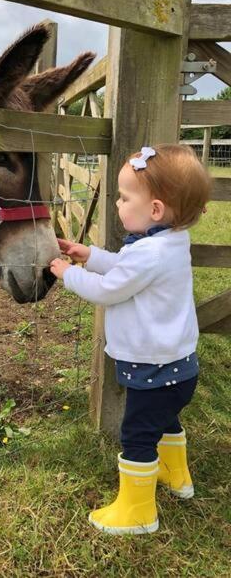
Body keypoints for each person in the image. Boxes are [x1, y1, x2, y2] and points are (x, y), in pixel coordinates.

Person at [50, 144, 212, 535]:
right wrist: (87, 254)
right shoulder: (168, 242)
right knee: (164, 420)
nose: (118, 204)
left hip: (153, 367)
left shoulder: (150, 253)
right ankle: (177, 477)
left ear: (154, 210)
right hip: (177, 367)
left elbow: (110, 289)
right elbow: (126, 267)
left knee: (137, 434)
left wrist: (66, 272)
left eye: (123, 197)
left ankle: (139, 512)